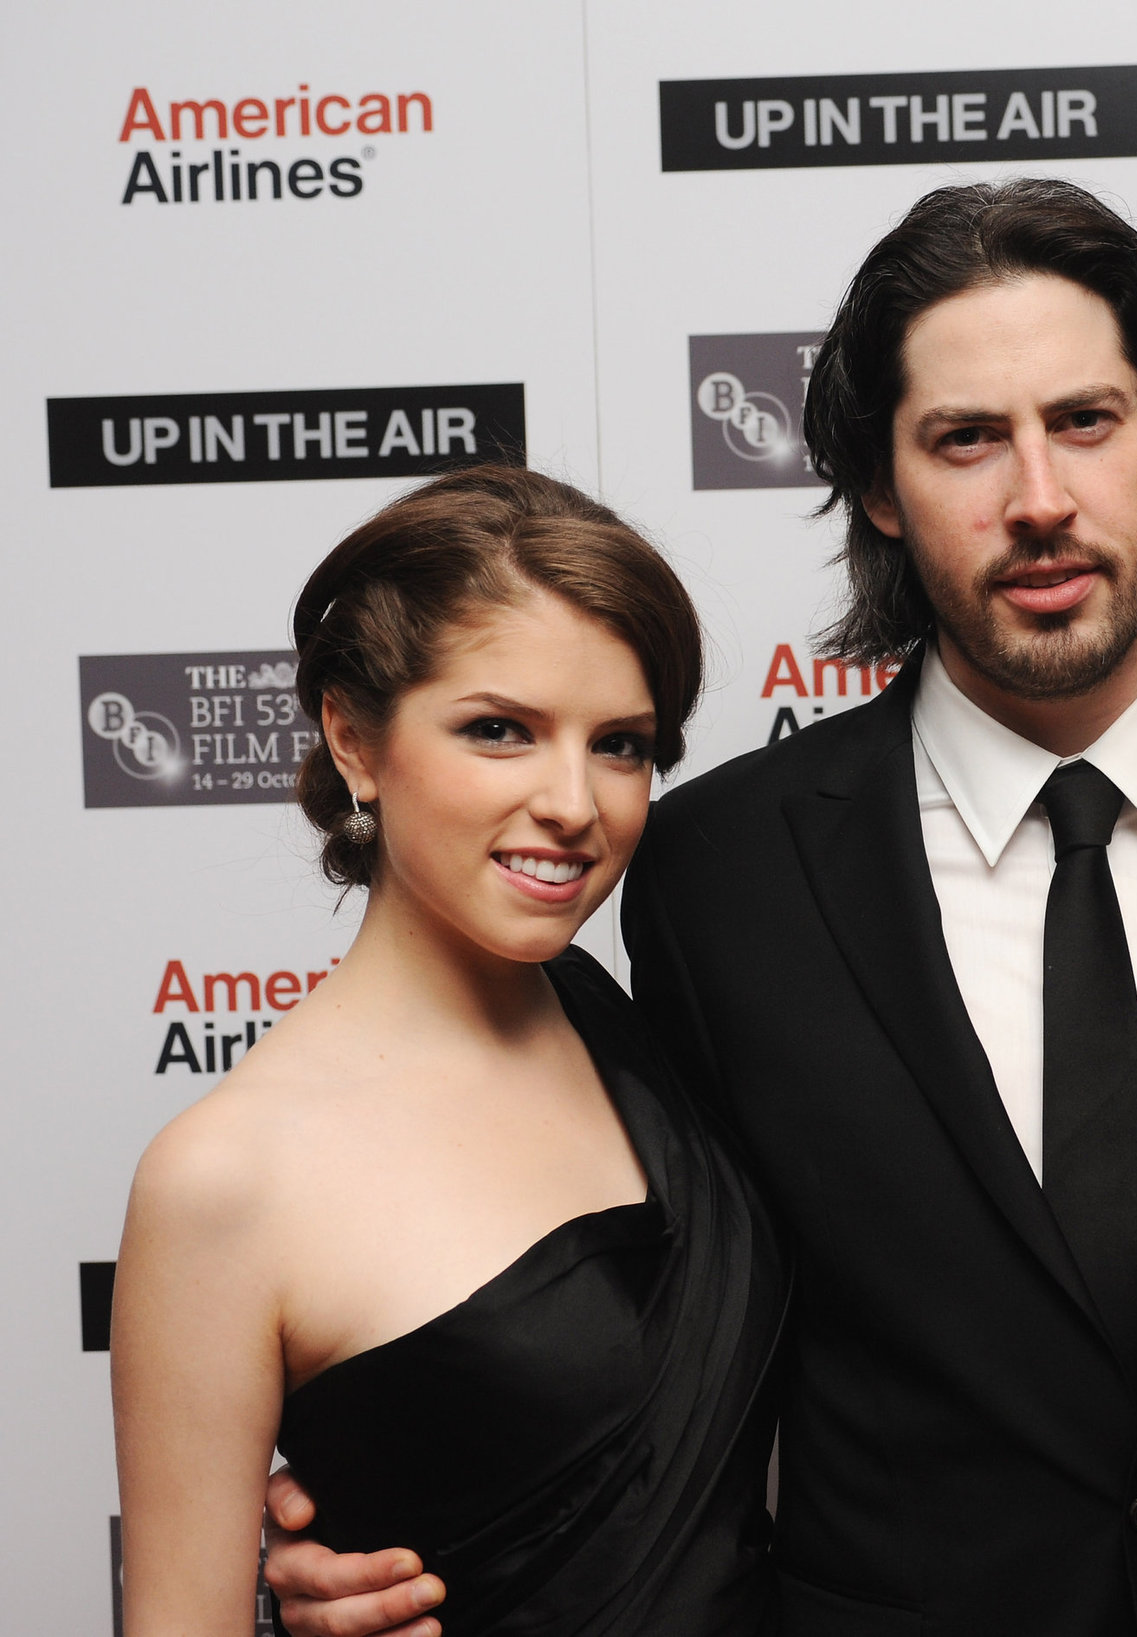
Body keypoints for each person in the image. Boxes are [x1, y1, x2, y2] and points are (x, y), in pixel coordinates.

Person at [263, 178, 1137, 1636]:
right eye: (964, 439)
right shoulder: (719, 871)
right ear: (878, 488)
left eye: (1085, 420)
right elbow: (646, 1308)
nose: (1037, 498)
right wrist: (394, 1516)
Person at [112, 467, 785, 1637]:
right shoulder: (224, 1177)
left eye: (620, 744)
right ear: (354, 740)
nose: (574, 801)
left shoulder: (635, 1026)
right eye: (499, 730)